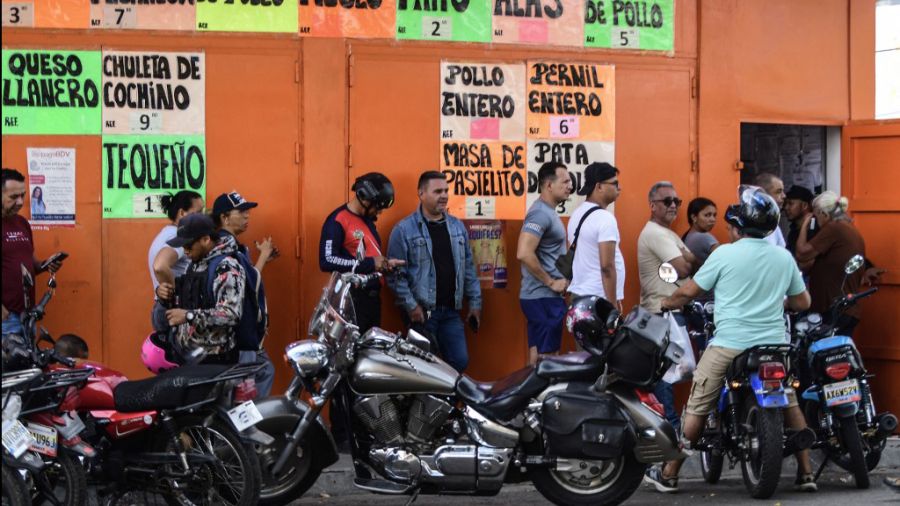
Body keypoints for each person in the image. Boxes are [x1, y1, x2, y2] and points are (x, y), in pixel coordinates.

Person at [644, 187, 817, 493]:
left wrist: (668, 303)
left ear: (742, 221)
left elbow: (689, 291)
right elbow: (803, 301)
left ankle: (669, 473)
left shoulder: (724, 253)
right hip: (774, 346)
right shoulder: (783, 257)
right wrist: (781, 301)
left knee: (697, 405)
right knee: (789, 400)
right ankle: (806, 473)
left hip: (729, 344)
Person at [388, 171, 482, 372]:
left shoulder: (457, 227)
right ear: (421, 194)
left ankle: (443, 403)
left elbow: (469, 268)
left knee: (459, 361)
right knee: (421, 369)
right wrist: (411, 306)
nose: (444, 195)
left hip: (450, 312)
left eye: (446, 190)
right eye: (438, 191)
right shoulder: (404, 230)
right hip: (422, 314)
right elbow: (395, 276)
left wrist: (475, 303)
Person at [638, 181, 697, 433]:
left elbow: (692, 260)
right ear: (652, 206)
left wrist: (683, 260)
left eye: (677, 201)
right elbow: (685, 267)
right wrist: (682, 261)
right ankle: (669, 428)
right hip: (662, 314)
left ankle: (668, 427)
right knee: (666, 375)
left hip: (671, 313)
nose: (673, 206)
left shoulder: (668, 233)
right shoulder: (655, 233)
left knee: (672, 372)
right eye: (667, 201)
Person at [211, 191, 278, 397]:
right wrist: (264, 255)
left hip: (245, 334)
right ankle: (244, 426)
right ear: (225, 217)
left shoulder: (235, 246)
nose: (247, 216)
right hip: (239, 333)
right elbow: (249, 284)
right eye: (241, 212)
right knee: (243, 389)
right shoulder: (226, 246)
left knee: (264, 370)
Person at [156, 213, 246, 364]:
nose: (185, 251)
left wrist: (189, 316)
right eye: (182, 246)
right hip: (189, 355)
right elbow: (189, 300)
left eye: (189, 246)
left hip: (215, 360)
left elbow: (231, 314)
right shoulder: (195, 264)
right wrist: (164, 294)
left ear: (205, 239)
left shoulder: (227, 267)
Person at [319, 172, 402, 333]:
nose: (379, 212)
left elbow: (368, 256)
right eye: (377, 207)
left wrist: (384, 265)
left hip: (373, 300)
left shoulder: (367, 221)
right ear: (364, 198)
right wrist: (371, 264)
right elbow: (326, 260)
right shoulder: (337, 220)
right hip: (352, 301)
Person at [516, 161, 572, 365]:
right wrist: (551, 282)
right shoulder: (540, 213)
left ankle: (531, 397)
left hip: (543, 298)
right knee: (548, 360)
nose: (570, 186)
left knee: (539, 356)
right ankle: (539, 396)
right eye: (565, 181)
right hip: (543, 296)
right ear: (549, 185)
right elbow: (523, 252)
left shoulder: (547, 212)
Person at [2, 169, 65, 337]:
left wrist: (45, 265)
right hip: (5, 319)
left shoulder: (22, 223)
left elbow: (30, 265)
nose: (20, 202)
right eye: (13, 197)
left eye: (23, 195)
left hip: (27, 316)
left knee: (28, 364)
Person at [795, 191, 867, 336]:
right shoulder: (848, 229)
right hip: (843, 308)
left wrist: (804, 225)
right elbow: (811, 264)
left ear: (824, 214)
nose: (815, 220)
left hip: (833, 310)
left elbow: (801, 254)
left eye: (815, 216)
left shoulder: (834, 228)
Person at [567, 162, 625, 311]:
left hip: (580, 295)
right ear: (599, 187)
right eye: (615, 183)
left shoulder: (576, 214)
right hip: (599, 300)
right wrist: (612, 307)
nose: (619, 188)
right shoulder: (605, 218)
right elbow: (607, 267)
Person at [148, 190, 204, 332]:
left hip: (161, 307)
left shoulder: (166, 233)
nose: (202, 217)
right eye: (198, 212)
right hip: (173, 311)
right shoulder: (180, 236)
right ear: (182, 213)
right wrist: (176, 298)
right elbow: (160, 266)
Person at [681, 197, 719, 267]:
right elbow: (725, 260)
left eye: (714, 215)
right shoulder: (704, 237)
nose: (713, 219)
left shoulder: (688, 236)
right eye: (707, 215)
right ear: (694, 217)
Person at [754, 173, 788, 248]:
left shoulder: (773, 224)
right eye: (778, 192)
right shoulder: (752, 224)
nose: (784, 196)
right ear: (763, 195)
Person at [783, 185, 816, 255]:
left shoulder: (815, 228)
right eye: (785, 204)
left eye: (790, 203)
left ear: (805, 205)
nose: (786, 208)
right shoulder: (793, 230)